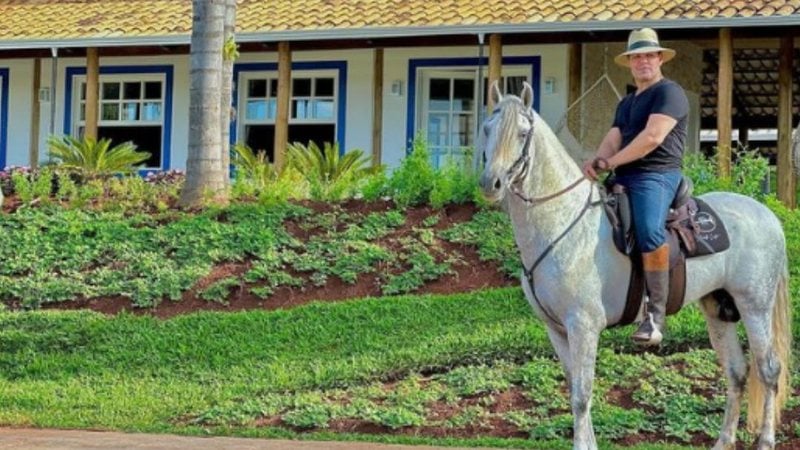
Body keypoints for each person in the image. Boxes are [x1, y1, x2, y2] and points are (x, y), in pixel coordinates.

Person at [582, 28, 690, 346]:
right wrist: (596, 160)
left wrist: (611, 163)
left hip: (657, 175)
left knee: (648, 230)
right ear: (629, 62)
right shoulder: (628, 101)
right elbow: (615, 137)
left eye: (648, 55)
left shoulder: (670, 93)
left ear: (660, 58)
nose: (643, 60)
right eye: (636, 56)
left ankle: (655, 316)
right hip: (624, 176)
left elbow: (652, 139)